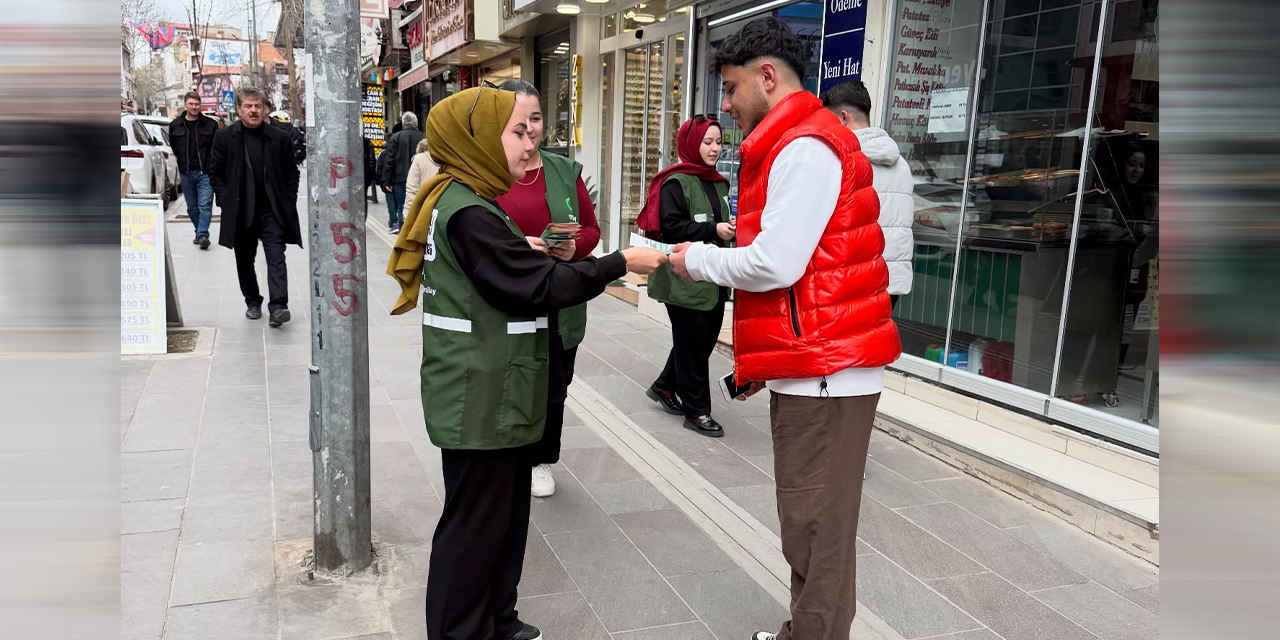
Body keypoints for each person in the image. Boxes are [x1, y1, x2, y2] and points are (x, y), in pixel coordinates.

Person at [385, 85, 666, 640]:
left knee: (505, 520)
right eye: (515, 131)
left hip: (499, 391)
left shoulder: (476, 200)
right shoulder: (467, 211)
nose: (528, 141)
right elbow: (539, 286)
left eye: (529, 129)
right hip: (479, 396)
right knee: (473, 527)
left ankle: (497, 618)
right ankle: (460, 630)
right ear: (479, 140)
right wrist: (619, 263)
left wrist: (525, 250)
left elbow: (508, 269)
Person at [666, 18, 901, 640]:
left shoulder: (803, 147)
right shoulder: (797, 142)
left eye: (732, 88)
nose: (726, 105)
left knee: (816, 530)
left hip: (827, 371)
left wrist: (692, 261)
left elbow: (774, 263)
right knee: (811, 523)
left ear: (768, 77)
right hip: (817, 364)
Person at [491, 79, 602, 498]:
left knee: (554, 387)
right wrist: (516, 248)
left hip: (560, 299)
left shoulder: (562, 171)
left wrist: (574, 247)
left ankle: (540, 459)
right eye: (519, 122)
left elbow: (592, 229)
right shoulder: (487, 172)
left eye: (535, 118)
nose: (530, 130)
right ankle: (508, 454)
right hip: (509, 301)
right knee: (511, 380)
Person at [637, 115, 734, 438]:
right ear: (691, 144)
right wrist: (712, 229)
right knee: (693, 347)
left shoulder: (719, 182)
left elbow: (722, 223)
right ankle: (697, 412)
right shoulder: (675, 182)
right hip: (683, 278)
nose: (715, 148)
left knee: (699, 343)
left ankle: (665, 387)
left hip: (714, 277)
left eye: (719, 142)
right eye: (708, 142)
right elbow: (671, 227)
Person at [209, 87, 302, 328]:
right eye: (248, 106)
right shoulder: (224, 137)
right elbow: (215, 172)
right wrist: (225, 199)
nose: (253, 110)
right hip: (241, 210)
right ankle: (252, 300)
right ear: (239, 110)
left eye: (257, 106)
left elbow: (292, 173)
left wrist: (288, 199)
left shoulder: (279, 138)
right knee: (244, 259)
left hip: (271, 210)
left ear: (265, 109)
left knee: (276, 256)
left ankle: (279, 306)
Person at [822, 80, 914, 307]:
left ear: (844, 118)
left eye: (830, 122)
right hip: (891, 281)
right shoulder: (902, 164)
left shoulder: (844, 162)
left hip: (855, 281)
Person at [168, 91, 218, 249]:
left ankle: (203, 234)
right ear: (185, 104)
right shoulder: (175, 125)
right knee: (192, 207)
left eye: (197, 104)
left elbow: (216, 147)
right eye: (191, 104)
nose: (194, 107)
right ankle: (199, 231)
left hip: (206, 172)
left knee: (205, 204)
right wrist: (182, 163)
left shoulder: (210, 124)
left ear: (200, 105)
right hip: (186, 172)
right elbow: (174, 147)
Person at [381, 112, 426, 233]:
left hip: (399, 179)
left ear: (403, 124)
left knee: (402, 208)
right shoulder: (422, 137)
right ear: (416, 123)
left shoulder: (396, 137)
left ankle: (403, 233)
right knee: (419, 207)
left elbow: (389, 160)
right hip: (419, 178)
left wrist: (387, 181)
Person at [403, 137, 439, 214]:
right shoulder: (446, 158)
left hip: (422, 207)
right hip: (441, 207)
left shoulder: (418, 159)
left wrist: (407, 211)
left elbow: (412, 188)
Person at [364, 137, 379, 204]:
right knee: (363, 196)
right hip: (365, 174)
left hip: (351, 173)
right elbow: (372, 160)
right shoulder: (367, 142)